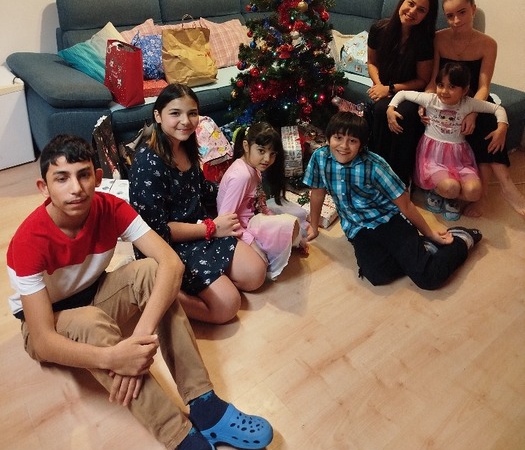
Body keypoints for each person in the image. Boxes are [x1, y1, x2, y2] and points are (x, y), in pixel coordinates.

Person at [6, 134, 273, 450]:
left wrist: (140, 338)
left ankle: (205, 405)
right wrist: (113, 359)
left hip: (94, 293)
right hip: (46, 321)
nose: (75, 188)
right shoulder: (28, 242)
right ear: (44, 187)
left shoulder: (111, 208)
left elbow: (171, 264)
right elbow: (44, 340)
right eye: (61, 178)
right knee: (91, 322)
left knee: (150, 271)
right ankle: (179, 435)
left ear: (98, 178)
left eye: (83, 174)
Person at [129, 84, 267, 325]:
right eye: (175, 113)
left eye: (192, 113)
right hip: (168, 245)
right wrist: (211, 228)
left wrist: (240, 191)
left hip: (201, 228)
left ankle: (205, 283)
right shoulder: (147, 163)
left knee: (256, 273)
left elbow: (201, 189)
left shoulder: (187, 145)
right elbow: (156, 231)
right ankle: (157, 292)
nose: (186, 121)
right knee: (227, 306)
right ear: (158, 116)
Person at [303, 111, 482, 290]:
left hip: (388, 220)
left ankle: (461, 238)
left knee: (428, 278)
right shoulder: (320, 157)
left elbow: (406, 204)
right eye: (338, 138)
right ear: (328, 139)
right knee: (377, 275)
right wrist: (315, 227)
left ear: (361, 145)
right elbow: (317, 193)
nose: (344, 146)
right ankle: (423, 249)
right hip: (357, 227)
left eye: (352, 140)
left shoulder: (375, 166)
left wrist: (429, 233)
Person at [432, 0, 525, 217]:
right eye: (450, 16)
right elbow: (433, 80)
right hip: (447, 97)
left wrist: (471, 111)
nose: (456, 20)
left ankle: (503, 188)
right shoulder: (438, 39)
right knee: (479, 119)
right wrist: (427, 105)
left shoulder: (488, 43)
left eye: (462, 12)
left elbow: (484, 86)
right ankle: (490, 191)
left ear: (473, 9)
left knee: (486, 120)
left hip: (474, 98)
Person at [387, 62, 508, 221]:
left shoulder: (469, 103)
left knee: (474, 192)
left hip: (459, 159)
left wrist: (501, 128)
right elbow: (402, 94)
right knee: (451, 187)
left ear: (464, 90)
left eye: (452, 87)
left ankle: (449, 194)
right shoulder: (431, 99)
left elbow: (498, 109)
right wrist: (390, 109)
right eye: (440, 85)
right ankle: (437, 191)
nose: (444, 91)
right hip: (433, 157)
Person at [216, 123, 309, 280]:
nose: (267, 159)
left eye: (272, 154)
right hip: (241, 228)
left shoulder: (254, 169)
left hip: (253, 218)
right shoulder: (242, 176)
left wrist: (275, 221)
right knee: (291, 225)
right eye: (261, 151)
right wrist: (252, 244)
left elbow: (261, 203)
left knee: (295, 220)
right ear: (246, 146)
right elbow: (225, 220)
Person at [367, 0, 438, 186]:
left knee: (400, 113)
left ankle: (399, 178)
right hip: (384, 86)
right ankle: (375, 171)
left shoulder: (424, 41)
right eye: (411, 4)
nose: (412, 11)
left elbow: (422, 80)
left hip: (410, 91)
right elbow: (371, 62)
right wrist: (379, 86)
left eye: (421, 10)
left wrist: (390, 89)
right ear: (402, 2)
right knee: (380, 108)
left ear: (427, 16)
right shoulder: (379, 29)